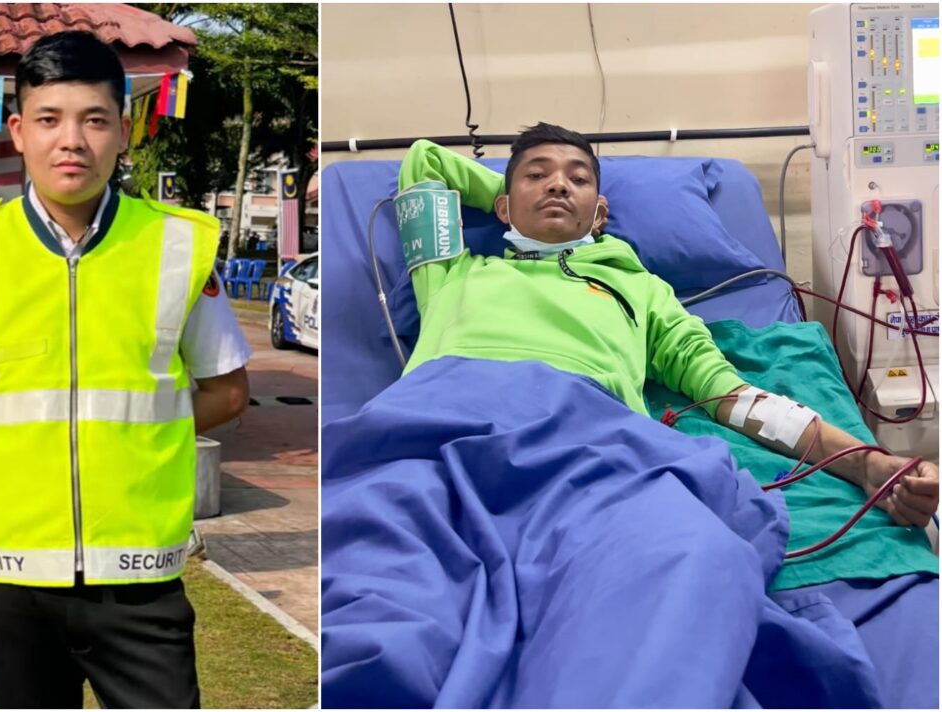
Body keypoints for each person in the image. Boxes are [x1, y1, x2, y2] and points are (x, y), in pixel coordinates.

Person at [321, 124, 938, 707]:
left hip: (589, 444)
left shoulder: (641, 291)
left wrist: (867, 464)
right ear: (503, 208)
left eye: (579, 178)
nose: (559, 184)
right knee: (383, 607)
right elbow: (423, 161)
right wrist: (507, 197)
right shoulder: (452, 270)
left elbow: (735, 398)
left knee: (691, 554)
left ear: (603, 210)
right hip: (436, 426)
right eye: (537, 175)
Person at [0, 31, 251, 709]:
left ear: (123, 133)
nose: (72, 141)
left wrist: (144, 436)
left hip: (140, 576)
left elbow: (229, 392)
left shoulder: (180, 244)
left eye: (94, 120)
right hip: (9, 573)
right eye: (50, 120)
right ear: (19, 131)